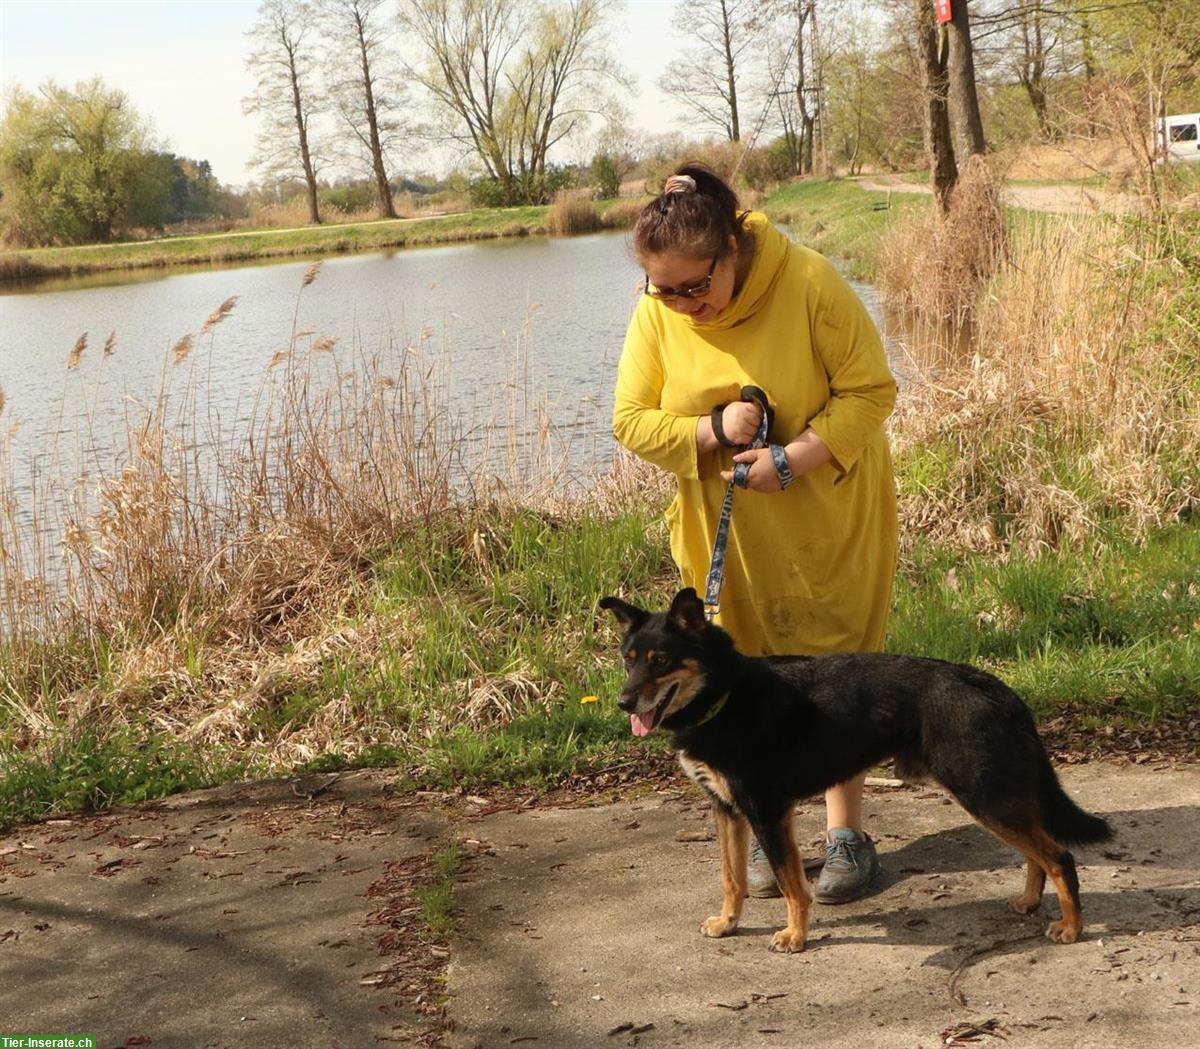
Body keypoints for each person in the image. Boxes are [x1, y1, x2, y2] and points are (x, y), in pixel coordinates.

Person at [611, 163, 899, 903]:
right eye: (663, 289)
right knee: (749, 678)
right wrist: (708, 429)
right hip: (722, 530)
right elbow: (630, 419)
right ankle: (777, 830)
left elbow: (871, 390)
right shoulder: (659, 312)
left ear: (730, 250)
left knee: (833, 674)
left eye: (694, 287)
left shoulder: (807, 281)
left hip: (822, 516)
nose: (681, 305)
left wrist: (794, 458)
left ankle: (848, 837)